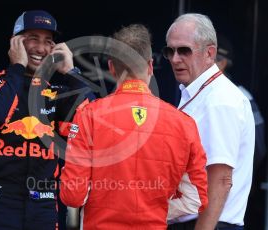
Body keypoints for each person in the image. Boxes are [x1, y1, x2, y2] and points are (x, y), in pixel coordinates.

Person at [59, 24, 208, 229]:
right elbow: (196, 198)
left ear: (111, 67)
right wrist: (154, 210)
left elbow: (73, 196)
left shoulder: (89, 115)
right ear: (150, 65)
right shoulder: (184, 123)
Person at [0, 10, 92, 230]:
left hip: (43, 209)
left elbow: (92, 124)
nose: (41, 48)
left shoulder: (56, 94)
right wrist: (16, 67)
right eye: (33, 38)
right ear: (15, 43)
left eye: (48, 41)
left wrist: (71, 72)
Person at [163, 13, 255, 229]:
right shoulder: (201, 94)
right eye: (170, 51)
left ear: (209, 53)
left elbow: (221, 180)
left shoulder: (219, 99)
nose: (175, 59)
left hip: (208, 223)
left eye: (184, 50)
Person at [216, 34, 266, 172]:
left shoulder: (242, 97)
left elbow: (258, 147)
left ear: (221, 63)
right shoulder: (191, 92)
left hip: (229, 188)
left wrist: (234, 179)